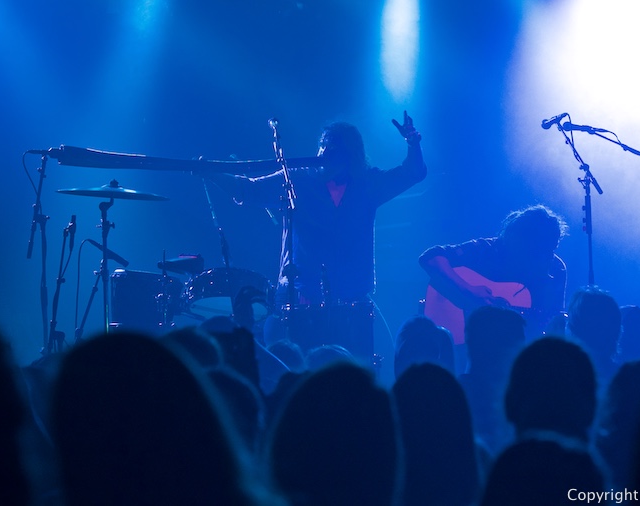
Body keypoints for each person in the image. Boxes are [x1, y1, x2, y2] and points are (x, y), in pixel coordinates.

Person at [218, 113, 426, 359]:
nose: (322, 152)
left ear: (349, 154)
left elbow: (413, 173)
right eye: (321, 145)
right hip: (300, 297)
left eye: (331, 147)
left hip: (351, 297)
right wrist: (212, 173)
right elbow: (249, 189)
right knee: (303, 368)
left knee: (355, 368)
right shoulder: (297, 180)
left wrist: (412, 142)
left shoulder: (368, 184)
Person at [419, 204, 568, 347]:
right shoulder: (488, 250)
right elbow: (431, 257)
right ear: (517, 239)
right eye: (536, 250)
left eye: (549, 250)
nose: (546, 256)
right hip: (470, 347)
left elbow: (552, 320)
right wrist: (468, 291)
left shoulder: (556, 269)